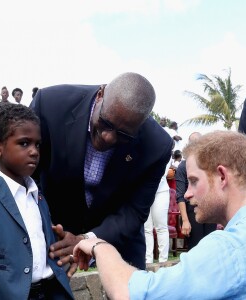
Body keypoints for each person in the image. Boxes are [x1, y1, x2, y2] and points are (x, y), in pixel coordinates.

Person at [73, 130, 246, 299]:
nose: (188, 193)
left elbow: (132, 293)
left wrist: (99, 246)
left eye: (194, 181)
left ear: (222, 176)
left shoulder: (230, 248)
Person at [30, 72, 173, 270]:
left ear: (141, 125)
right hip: (57, 227)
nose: (108, 137)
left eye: (123, 135)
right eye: (106, 123)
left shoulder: (157, 146)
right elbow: (27, 176)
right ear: (100, 95)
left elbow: (133, 211)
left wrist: (87, 239)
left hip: (116, 234)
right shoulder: (50, 105)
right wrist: (49, 226)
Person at [0, 103, 74, 299]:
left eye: (37, 144)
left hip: (51, 291)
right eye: (24, 143)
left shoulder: (37, 193)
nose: (34, 151)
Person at [176, 132, 216, 250]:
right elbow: (180, 196)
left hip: (210, 208)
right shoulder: (183, 167)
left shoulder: (210, 165)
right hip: (192, 209)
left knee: (211, 247)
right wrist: (185, 221)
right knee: (196, 248)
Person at [144, 160, 171, 264]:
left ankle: (163, 261)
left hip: (161, 191)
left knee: (161, 227)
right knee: (147, 229)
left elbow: (161, 172)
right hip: (144, 192)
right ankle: (148, 260)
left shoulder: (165, 148)